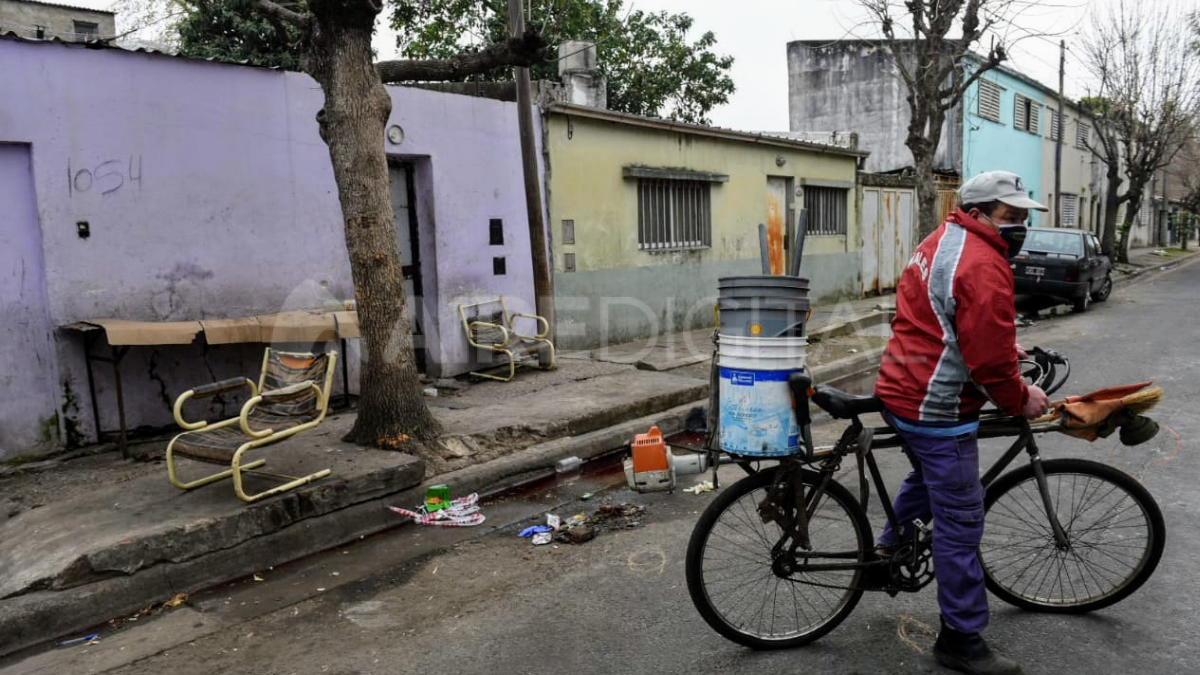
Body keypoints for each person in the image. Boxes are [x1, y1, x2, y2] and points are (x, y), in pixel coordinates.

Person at [873, 170, 1052, 675]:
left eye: (1022, 217)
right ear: (977, 214)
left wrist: (1000, 349)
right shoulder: (981, 263)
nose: (1018, 226)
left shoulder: (941, 241)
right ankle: (961, 638)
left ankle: (889, 549)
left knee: (928, 479)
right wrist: (1020, 397)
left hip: (900, 386)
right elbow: (990, 365)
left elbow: (943, 319)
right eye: (1010, 216)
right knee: (961, 522)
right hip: (936, 404)